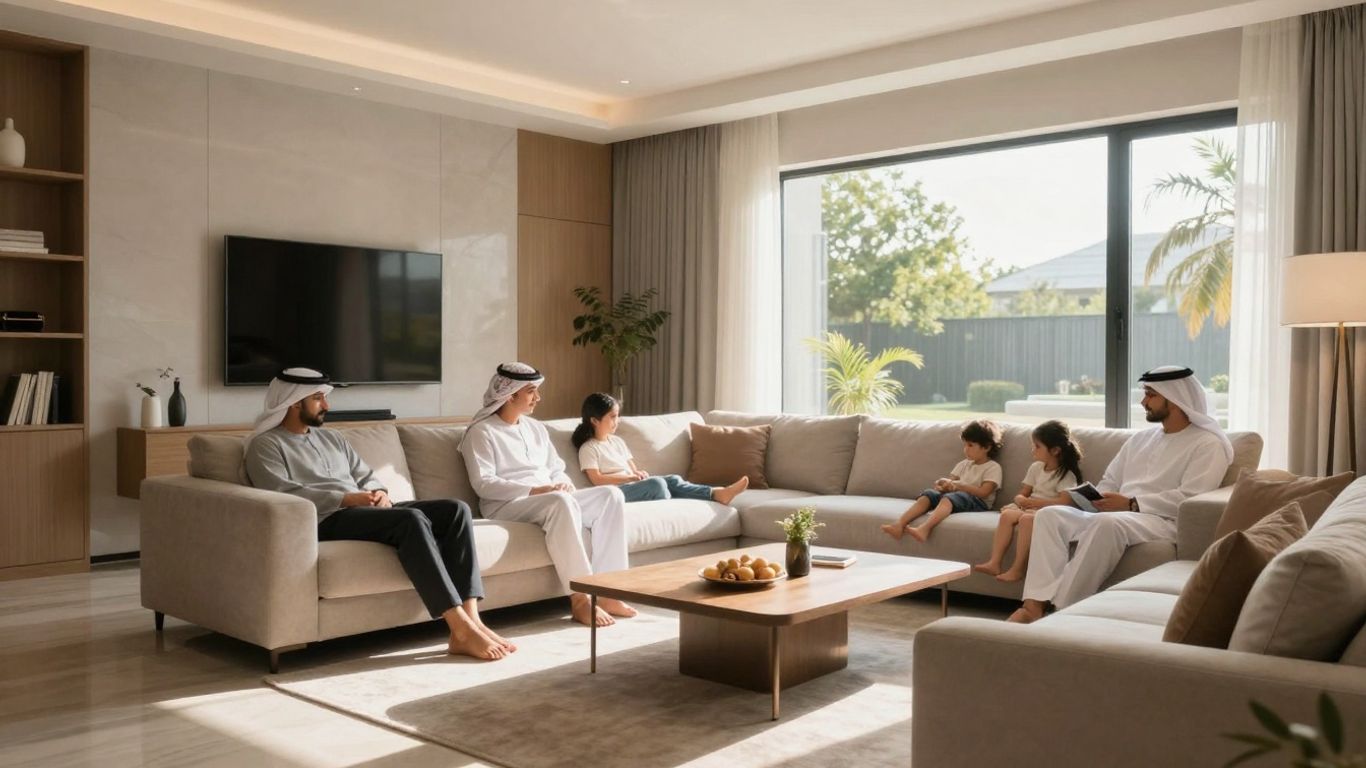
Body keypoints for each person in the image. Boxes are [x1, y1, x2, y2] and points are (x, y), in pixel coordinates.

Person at [243, 368, 513, 661]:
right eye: (318, 398)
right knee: (411, 520)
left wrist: (379, 492)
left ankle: (473, 619)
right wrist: (347, 498)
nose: (327, 406)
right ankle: (458, 627)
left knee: (455, 511)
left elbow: (366, 476)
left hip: (363, 508)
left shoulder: (332, 439)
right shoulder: (265, 445)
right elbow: (282, 493)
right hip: (326, 519)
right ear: (294, 402)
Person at [1008, 365, 1234, 623]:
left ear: (1175, 399)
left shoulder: (1207, 443)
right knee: (1049, 516)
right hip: (1117, 513)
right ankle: (1033, 606)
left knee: (1107, 524)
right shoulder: (1141, 439)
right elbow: (1110, 480)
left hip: (1160, 520)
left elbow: (1191, 499)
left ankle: (1061, 610)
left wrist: (1132, 503)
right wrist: (1096, 497)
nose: (1143, 401)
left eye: (1150, 395)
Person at [458, 364, 635, 628]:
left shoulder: (536, 428)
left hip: (550, 497)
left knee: (610, 496)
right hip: (507, 505)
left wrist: (563, 484)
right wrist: (535, 490)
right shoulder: (481, 431)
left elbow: (556, 469)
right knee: (559, 502)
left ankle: (609, 592)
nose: (538, 398)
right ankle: (580, 599)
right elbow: (484, 484)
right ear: (511, 394)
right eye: (531, 392)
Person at [572, 392, 750, 504]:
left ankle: (716, 493)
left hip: (632, 483)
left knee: (671, 479)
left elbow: (633, 468)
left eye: (617, 416)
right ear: (594, 420)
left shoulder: (617, 442)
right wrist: (629, 478)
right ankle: (667, 496)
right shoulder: (588, 448)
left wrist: (638, 474)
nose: (616, 421)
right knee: (658, 484)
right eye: (612, 417)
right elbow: (597, 479)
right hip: (615, 491)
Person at [972, 420, 1083, 583]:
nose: (1033, 450)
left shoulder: (1065, 474)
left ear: (1055, 450)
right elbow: (1023, 493)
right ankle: (994, 562)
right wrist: (1020, 499)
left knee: (1026, 520)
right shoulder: (1036, 468)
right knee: (1007, 515)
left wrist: (1035, 504)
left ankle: (1017, 569)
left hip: (1048, 511)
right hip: (1030, 507)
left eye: (1037, 446)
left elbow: (1064, 502)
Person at [880, 420, 1004, 543]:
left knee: (950, 498)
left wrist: (961, 486)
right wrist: (944, 486)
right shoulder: (963, 464)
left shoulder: (993, 467)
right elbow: (952, 482)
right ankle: (899, 524)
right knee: (929, 494)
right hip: (957, 497)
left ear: (987, 447)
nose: (965, 449)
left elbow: (984, 493)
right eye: (965, 445)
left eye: (970, 445)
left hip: (978, 503)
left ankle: (924, 529)